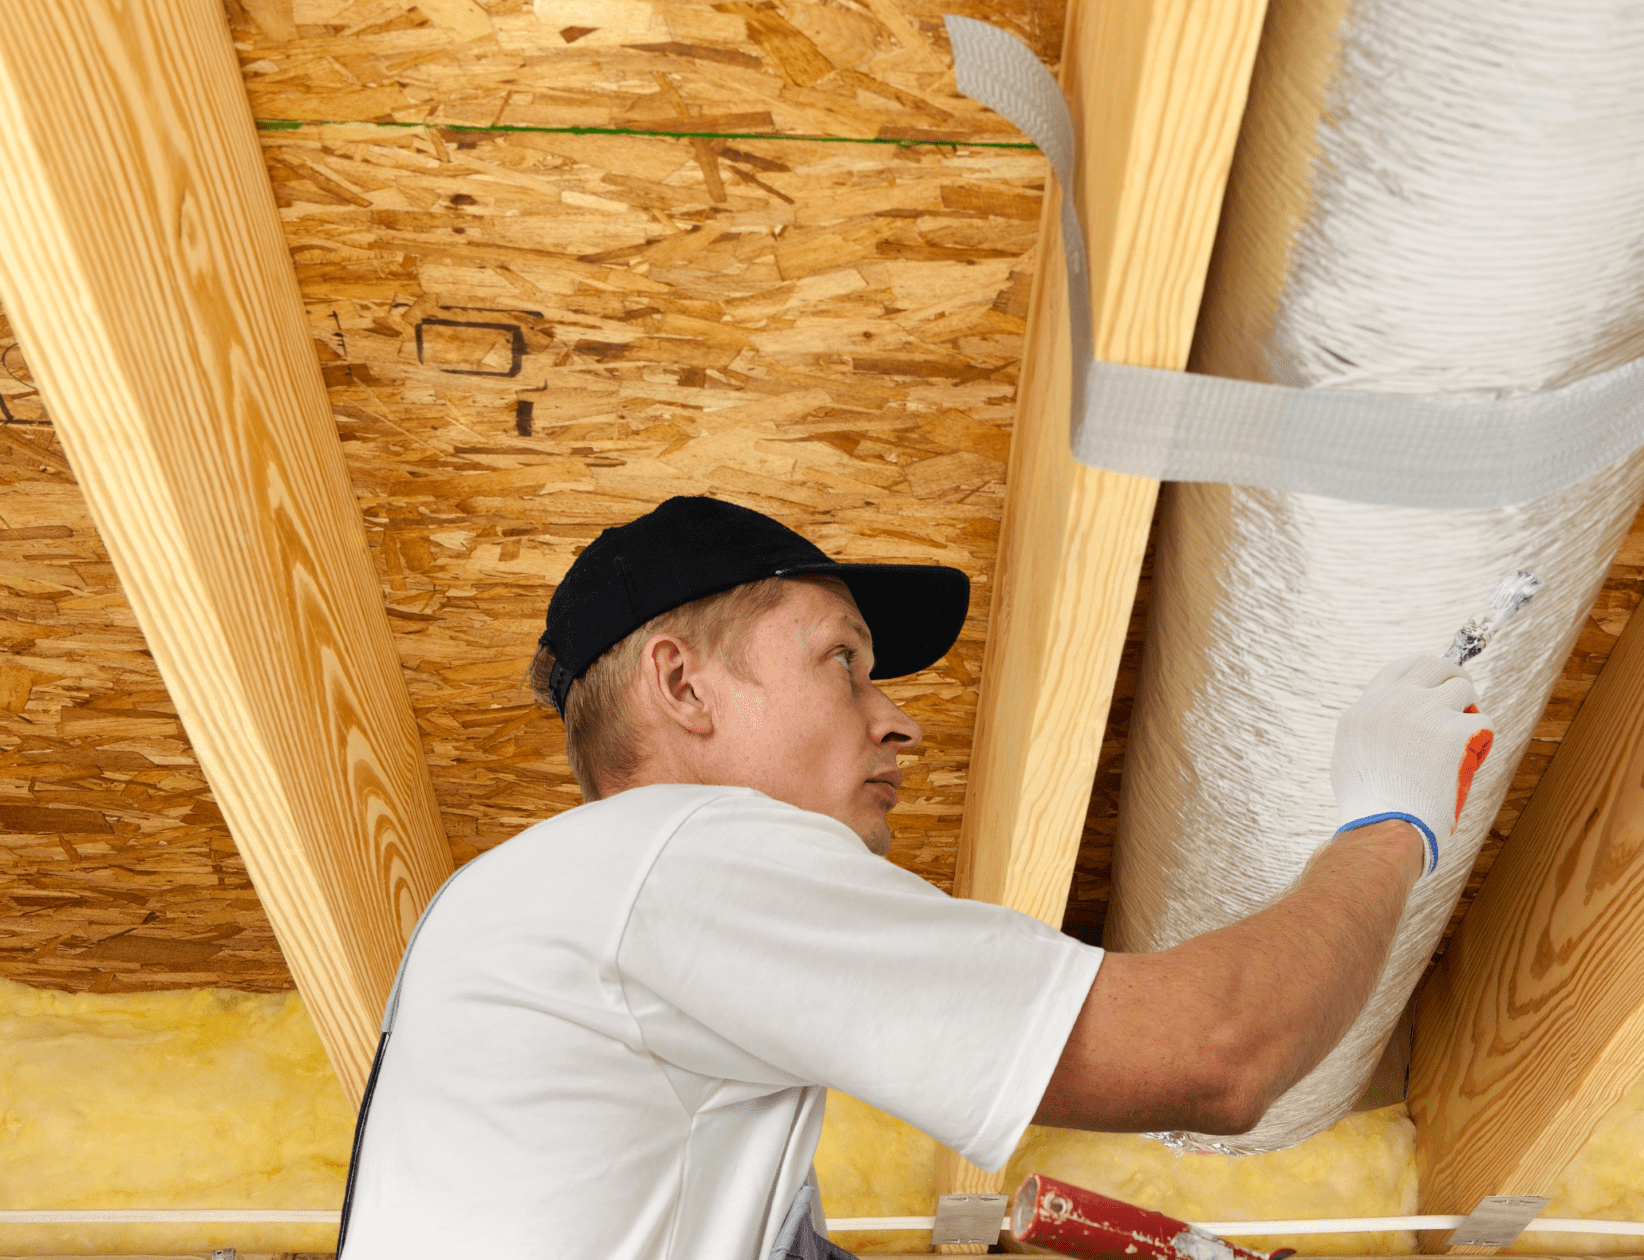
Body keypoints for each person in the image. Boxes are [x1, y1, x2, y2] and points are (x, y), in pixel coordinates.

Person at [337, 495, 1493, 1260]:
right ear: (681, 688)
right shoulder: (679, 854)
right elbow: (1217, 1052)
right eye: (842, 660)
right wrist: (1394, 822)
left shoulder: (554, 909)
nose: (898, 725)